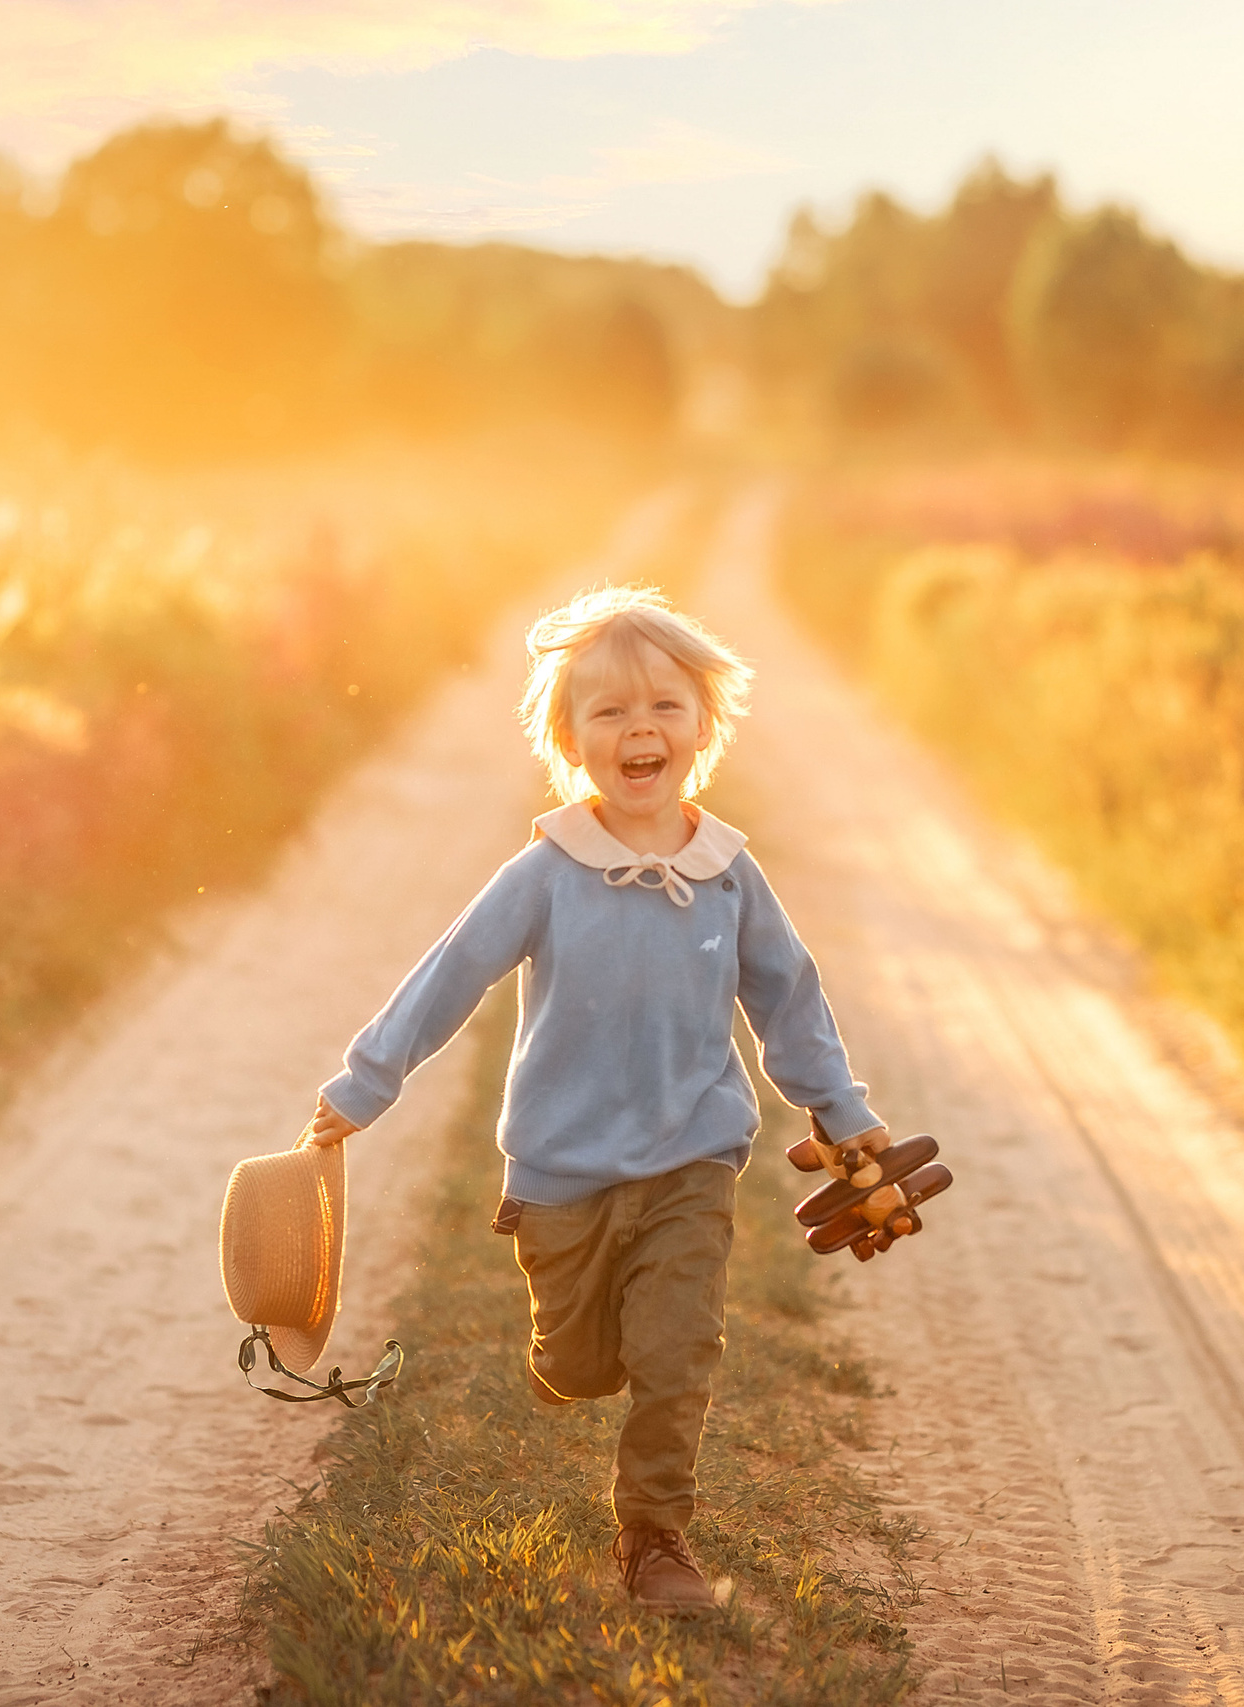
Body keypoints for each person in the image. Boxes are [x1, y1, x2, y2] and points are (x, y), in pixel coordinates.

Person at [304, 583, 887, 1613]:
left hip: (692, 1158)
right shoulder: (545, 872)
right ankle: (563, 1353)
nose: (640, 729)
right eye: (610, 711)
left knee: (677, 1351)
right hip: (562, 1168)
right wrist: (365, 1082)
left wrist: (835, 1108)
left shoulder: (727, 874)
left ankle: (655, 1538)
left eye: (664, 705)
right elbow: (449, 975)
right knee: (579, 1365)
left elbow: (789, 996)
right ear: (569, 739)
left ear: (702, 726)